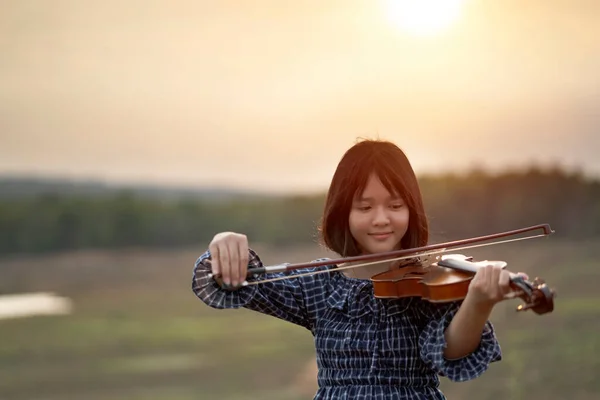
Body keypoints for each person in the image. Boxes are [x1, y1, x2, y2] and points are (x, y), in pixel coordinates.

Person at [192, 138, 518, 399]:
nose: (381, 219)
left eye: (395, 205)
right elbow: (244, 285)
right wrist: (225, 246)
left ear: (412, 210)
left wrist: (478, 303)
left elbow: (450, 352)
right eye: (364, 207)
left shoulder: (428, 283)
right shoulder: (321, 284)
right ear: (343, 212)